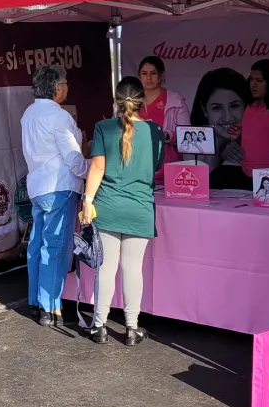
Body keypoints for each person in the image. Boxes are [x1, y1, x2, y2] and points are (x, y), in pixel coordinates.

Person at [81, 77, 163, 346]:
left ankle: (99, 326)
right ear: (142, 102)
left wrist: (87, 201)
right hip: (140, 208)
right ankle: (131, 328)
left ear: (116, 99)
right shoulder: (154, 132)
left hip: (109, 207)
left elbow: (97, 168)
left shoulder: (103, 127)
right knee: (132, 269)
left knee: (105, 269)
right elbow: (156, 167)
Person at [20, 64, 88, 328]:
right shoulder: (59, 116)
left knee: (38, 244)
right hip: (58, 186)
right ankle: (50, 306)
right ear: (58, 88)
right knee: (55, 247)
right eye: (66, 83)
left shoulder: (28, 114)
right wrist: (90, 169)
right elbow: (73, 157)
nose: (67, 87)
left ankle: (37, 299)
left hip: (37, 187)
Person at [190, 67, 253, 189]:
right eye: (217, 108)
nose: (228, 117)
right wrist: (219, 147)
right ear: (204, 110)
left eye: (234, 106)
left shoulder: (257, 142)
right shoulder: (192, 144)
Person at [137, 56, 189, 166]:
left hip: (169, 169)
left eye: (153, 73)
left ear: (162, 76)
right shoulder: (131, 101)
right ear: (139, 76)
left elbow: (187, 136)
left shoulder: (176, 101)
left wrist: (166, 136)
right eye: (144, 73)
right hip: (137, 169)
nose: (149, 77)